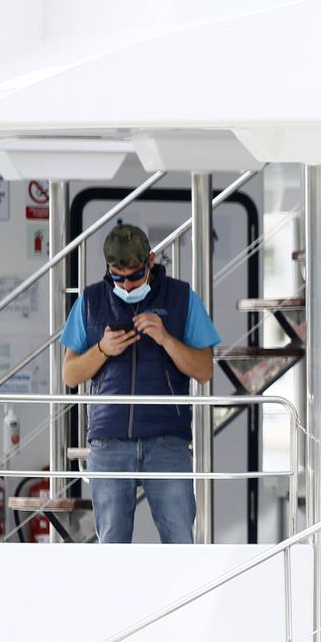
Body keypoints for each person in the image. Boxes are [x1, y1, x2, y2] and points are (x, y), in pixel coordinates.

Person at [61, 224, 221, 543]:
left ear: (150, 261)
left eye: (134, 275)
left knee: (179, 540)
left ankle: (184, 595)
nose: (126, 283)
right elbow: (70, 375)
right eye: (118, 276)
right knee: (112, 546)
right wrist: (103, 349)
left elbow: (204, 370)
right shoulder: (90, 301)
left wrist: (166, 339)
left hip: (167, 440)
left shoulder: (181, 298)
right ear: (108, 269)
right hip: (109, 441)